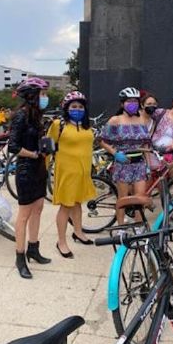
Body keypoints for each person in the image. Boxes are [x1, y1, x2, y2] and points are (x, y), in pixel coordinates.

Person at [9, 77, 52, 279]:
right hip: (26, 169)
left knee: (39, 208)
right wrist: (34, 154)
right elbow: (13, 147)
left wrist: (47, 147)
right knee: (24, 214)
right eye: (42, 94)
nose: (45, 98)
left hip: (39, 168)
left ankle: (33, 249)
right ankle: (20, 257)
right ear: (32, 96)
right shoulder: (21, 116)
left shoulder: (37, 115)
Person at [48, 91, 96, 258]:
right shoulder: (58, 125)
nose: (77, 109)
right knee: (66, 206)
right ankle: (61, 241)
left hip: (83, 172)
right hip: (67, 173)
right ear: (66, 108)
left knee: (77, 203)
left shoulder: (86, 126)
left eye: (80, 107)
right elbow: (47, 149)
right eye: (73, 107)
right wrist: (43, 169)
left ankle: (78, 232)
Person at [99, 87, 151, 226]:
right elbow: (102, 140)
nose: (132, 103)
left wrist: (148, 164)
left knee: (140, 198)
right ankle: (120, 226)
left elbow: (146, 144)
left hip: (139, 163)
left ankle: (139, 226)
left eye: (135, 101)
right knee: (123, 198)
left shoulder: (142, 121)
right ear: (122, 104)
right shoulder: (115, 120)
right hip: (123, 164)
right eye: (129, 101)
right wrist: (115, 153)